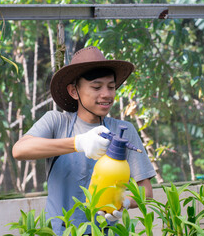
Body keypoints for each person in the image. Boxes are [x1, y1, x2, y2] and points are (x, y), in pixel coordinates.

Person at [12, 46, 156, 235]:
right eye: (96, 87)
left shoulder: (124, 131)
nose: (107, 94)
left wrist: (125, 202)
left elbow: (146, 191)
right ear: (74, 91)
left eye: (111, 87)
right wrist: (78, 143)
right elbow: (20, 150)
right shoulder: (56, 122)